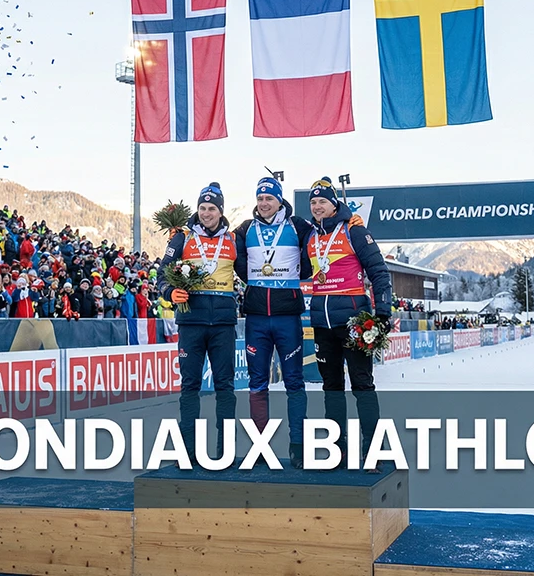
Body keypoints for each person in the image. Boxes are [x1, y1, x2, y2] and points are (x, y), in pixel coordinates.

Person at [305, 177, 392, 472]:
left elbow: (379, 272)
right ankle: (336, 450)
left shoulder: (354, 230)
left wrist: (382, 313)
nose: (318, 207)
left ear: (334, 204)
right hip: (322, 323)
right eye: (313, 203)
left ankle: (373, 450)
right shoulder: (311, 236)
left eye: (323, 202)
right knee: (331, 387)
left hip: (354, 322)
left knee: (362, 386)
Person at [156, 182, 244, 464]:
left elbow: (254, 271)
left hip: (222, 324)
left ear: (221, 211)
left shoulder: (233, 240)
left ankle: (225, 449)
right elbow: (161, 276)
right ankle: (188, 449)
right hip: (191, 322)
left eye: (212, 208)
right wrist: (170, 293)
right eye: (203, 208)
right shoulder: (181, 238)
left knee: (225, 386)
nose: (206, 213)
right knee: (190, 386)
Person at [232, 177, 314, 468]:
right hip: (256, 318)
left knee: (294, 382)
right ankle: (260, 445)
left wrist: (349, 219)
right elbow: (225, 251)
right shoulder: (244, 229)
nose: (264, 203)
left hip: (288, 318)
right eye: (260, 198)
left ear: (279, 200)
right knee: (257, 383)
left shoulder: (299, 226)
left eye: (269, 198)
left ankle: (298, 444)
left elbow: (321, 245)